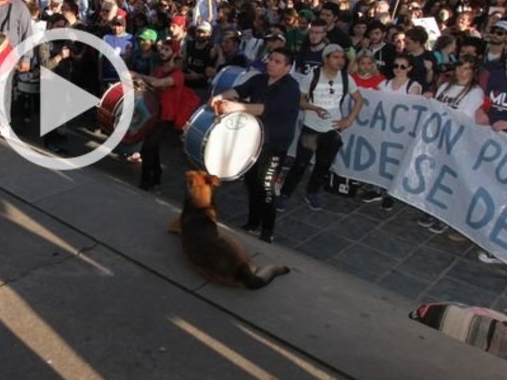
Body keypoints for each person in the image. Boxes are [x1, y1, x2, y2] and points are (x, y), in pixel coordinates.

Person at [213, 48, 300, 243]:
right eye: (271, 59)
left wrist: (235, 107)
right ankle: (253, 222)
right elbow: (239, 90)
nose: (271, 64)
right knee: (251, 182)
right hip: (254, 138)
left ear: (287, 67)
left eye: (277, 62)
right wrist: (221, 96)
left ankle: (267, 230)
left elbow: (263, 109)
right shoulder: (260, 79)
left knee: (266, 185)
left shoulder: (290, 88)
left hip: (275, 144)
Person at [279, 44, 364, 211]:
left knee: (323, 164)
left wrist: (349, 120)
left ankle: (312, 192)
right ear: (326, 59)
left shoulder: (346, 78)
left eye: (342, 57)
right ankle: (285, 194)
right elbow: (300, 101)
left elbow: (359, 100)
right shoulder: (313, 76)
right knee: (300, 163)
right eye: (336, 57)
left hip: (333, 128)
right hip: (311, 127)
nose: (340, 61)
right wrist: (314, 108)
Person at [134, 40, 200, 191]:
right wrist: (139, 83)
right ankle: (156, 175)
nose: (163, 52)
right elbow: (150, 86)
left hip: (166, 118)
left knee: (147, 148)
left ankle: (147, 181)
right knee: (153, 147)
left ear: (175, 54)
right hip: (153, 114)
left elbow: (158, 83)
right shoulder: (158, 69)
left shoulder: (178, 74)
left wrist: (138, 75)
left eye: (167, 50)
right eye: (162, 49)